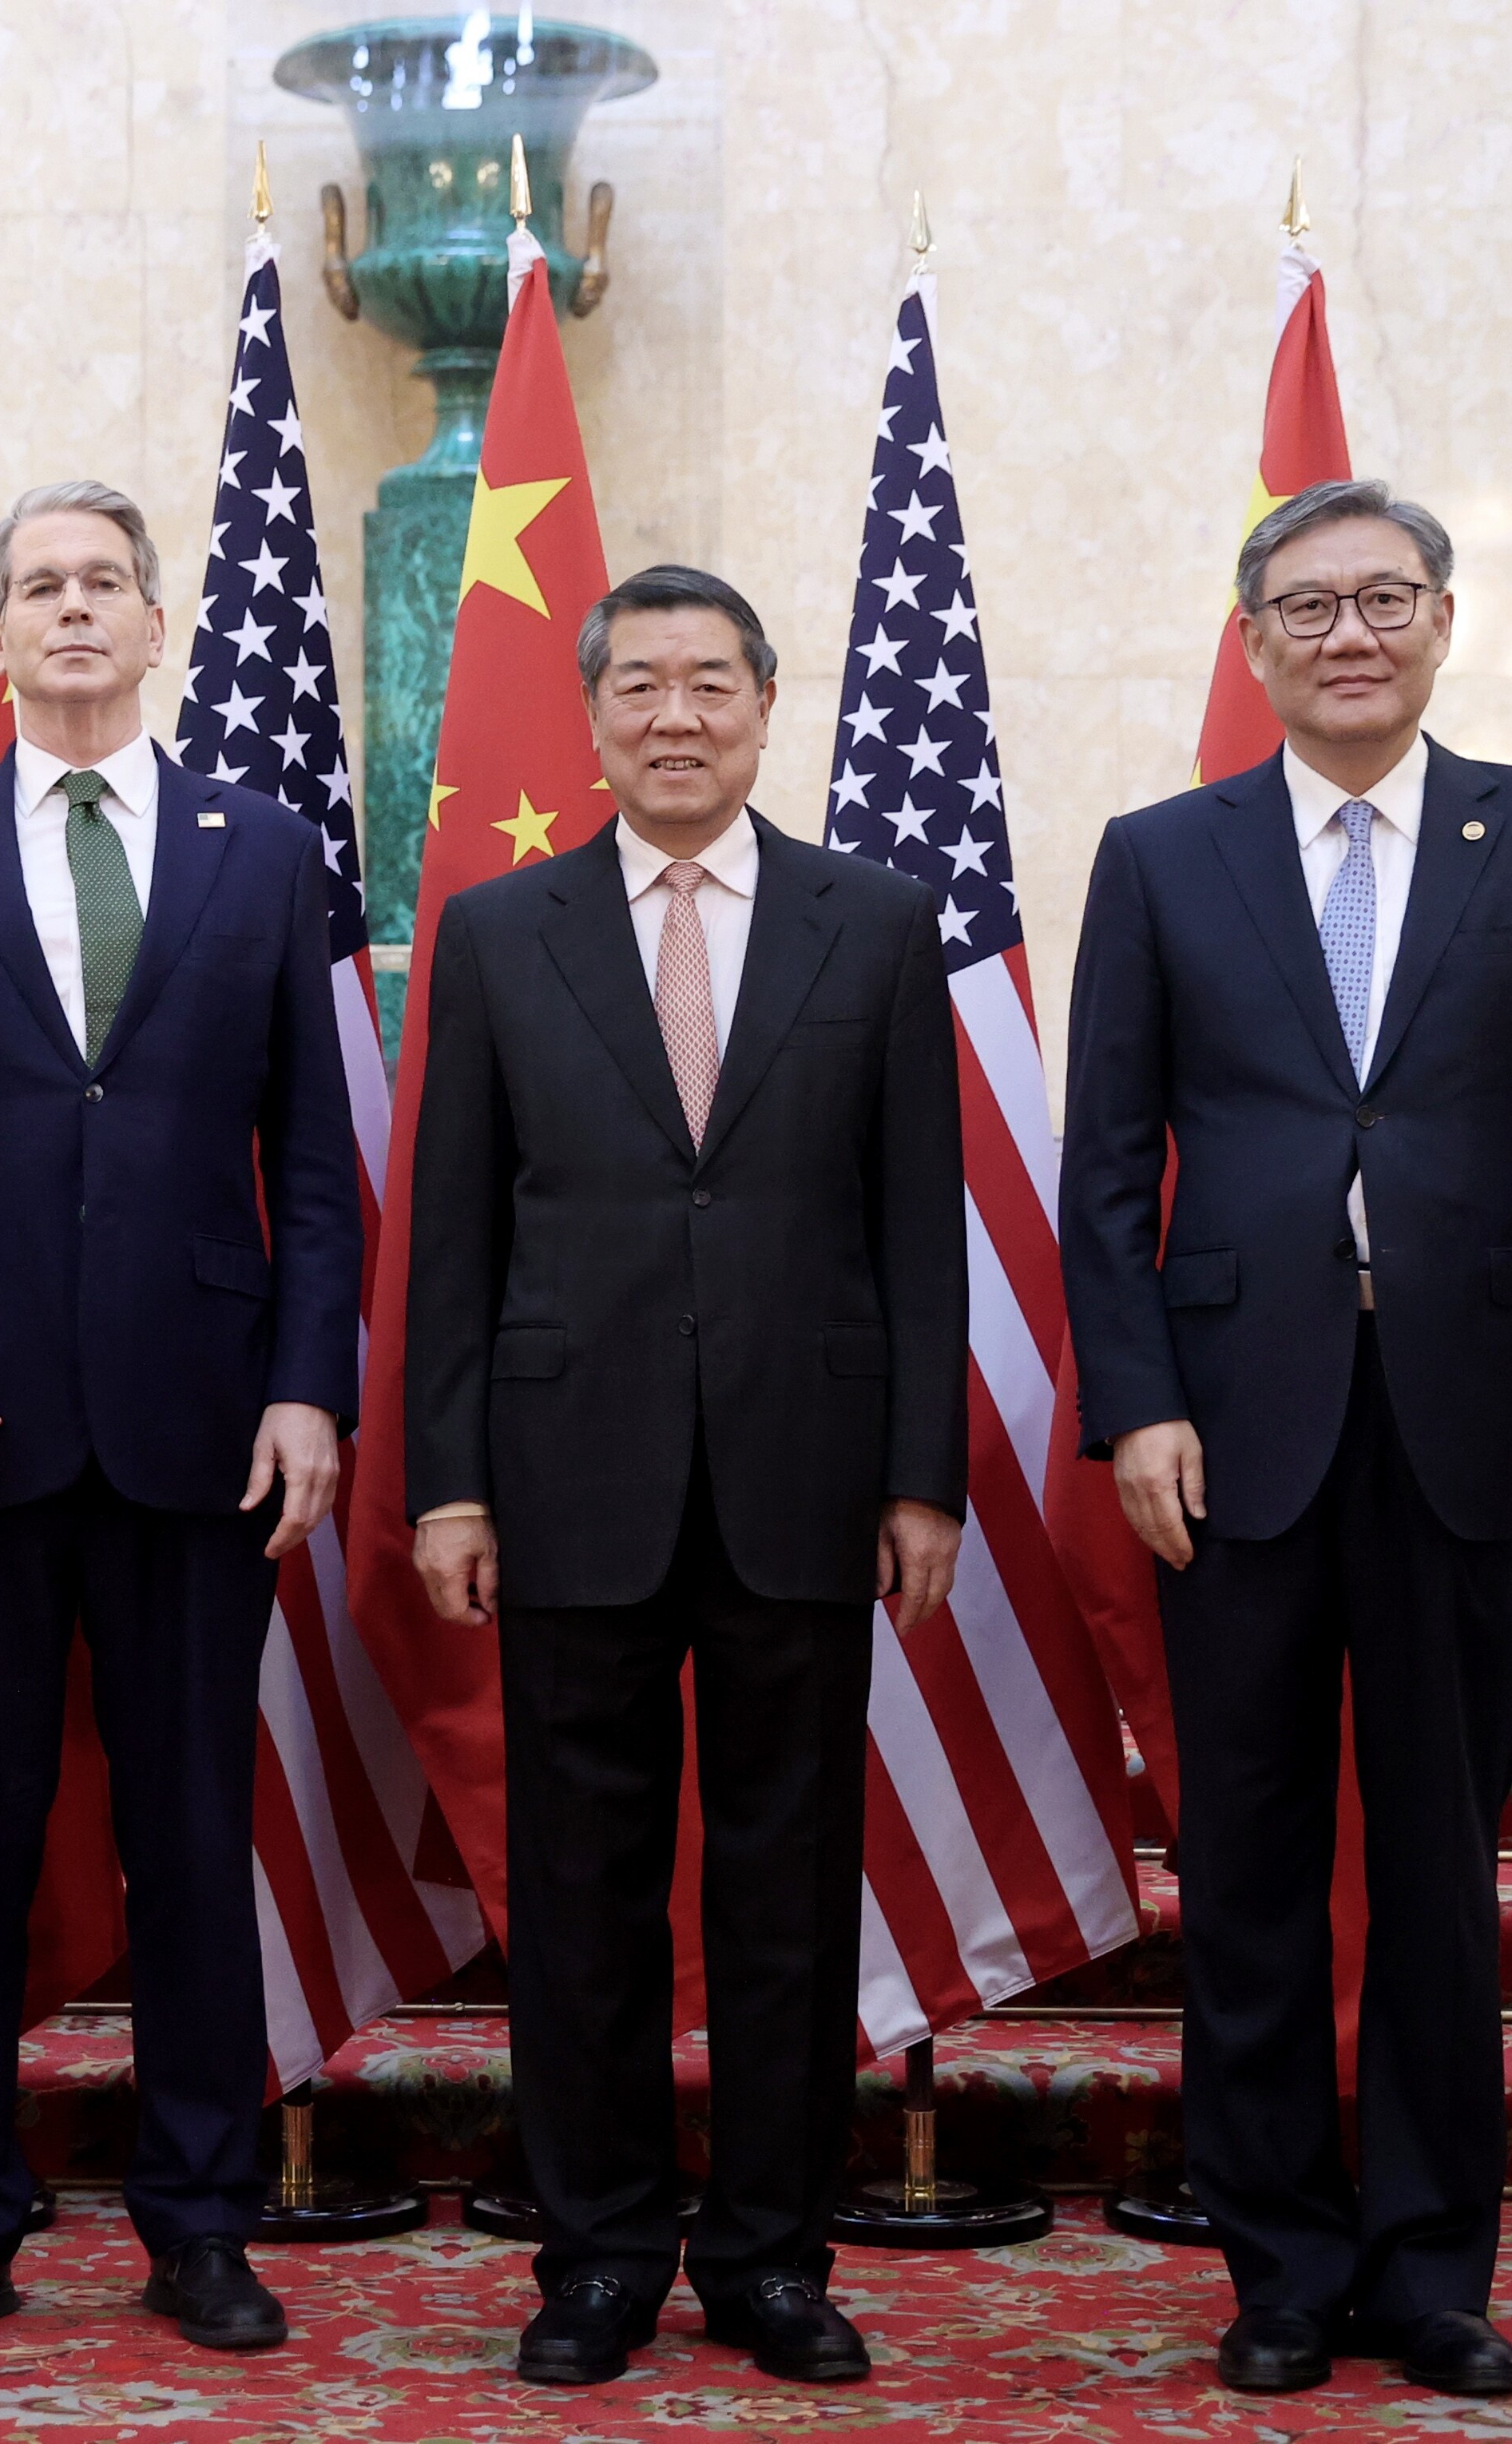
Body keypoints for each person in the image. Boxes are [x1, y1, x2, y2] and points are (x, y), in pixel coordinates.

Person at [1061, 478, 1512, 2398]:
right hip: (1233, 1432)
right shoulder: (1163, 856)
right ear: (1253, 643)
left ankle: (1427, 2268)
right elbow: (1103, 1164)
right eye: (1308, 607)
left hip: (1473, 1427)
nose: (1350, 635)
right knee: (1246, 1864)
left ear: (1444, 622)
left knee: (1437, 1864)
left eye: (1386, 599)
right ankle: (1279, 2270)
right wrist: (1136, 1402)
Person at [0, 480, 361, 2361]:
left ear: (154, 620)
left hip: (202, 1429)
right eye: (38, 584)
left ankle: (200, 2220)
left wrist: (308, 1383)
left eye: (105, 580)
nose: (73, 608)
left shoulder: (262, 853)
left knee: (193, 1843)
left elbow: (318, 1159)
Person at [406, 565, 966, 2389]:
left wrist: (924, 1476)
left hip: (810, 1473)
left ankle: (773, 2257)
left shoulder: (876, 923)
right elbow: (455, 1231)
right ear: (592, 716)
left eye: (710, 682)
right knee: (583, 1898)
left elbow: (919, 1220)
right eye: (639, 684)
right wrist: (449, 1482)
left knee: (787, 1890)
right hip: (568, 1476)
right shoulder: (501, 931)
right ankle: (596, 2258)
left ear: (765, 706)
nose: (675, 716)